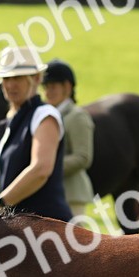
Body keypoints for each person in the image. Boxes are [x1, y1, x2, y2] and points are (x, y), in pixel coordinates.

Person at [0, 46, 73, 222]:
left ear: (36, 78)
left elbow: (41, 169)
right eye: (6, 78)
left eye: (17, 77)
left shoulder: (45, 115)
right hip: (13, 228)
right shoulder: (4, 125)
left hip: (46, 227)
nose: (10, 85)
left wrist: (1, 203)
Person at [41, 59, 95, 219]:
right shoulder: (46, 116)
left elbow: (83, 157)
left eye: (53, 87)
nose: (47, 92)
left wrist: (49, 165)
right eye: (45, 87)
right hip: (50, 193)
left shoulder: (77, 116)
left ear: (67, 87)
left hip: (72, 194)